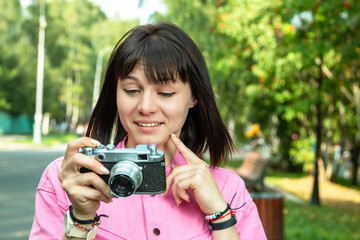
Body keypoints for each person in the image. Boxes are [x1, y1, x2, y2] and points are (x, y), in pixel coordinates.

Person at [30, 22, 266, 240]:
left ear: (194, 96)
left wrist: (220, 215)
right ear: (115, 93)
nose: (145, 107)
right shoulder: (69, 180)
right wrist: (81, 218)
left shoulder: (228, 189)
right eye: (132, 90)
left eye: (165, 93)